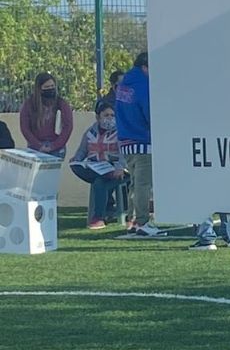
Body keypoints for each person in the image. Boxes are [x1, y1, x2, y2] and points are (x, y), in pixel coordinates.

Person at [116, 52, 160, 236]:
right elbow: (150, 111)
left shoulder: (124, 84)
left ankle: (133, 220)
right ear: (145, 66)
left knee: (134, 184)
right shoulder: (143, 85)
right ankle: (142, 222)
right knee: (143, 184)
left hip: (126, 141)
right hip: (143, 141)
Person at [69, 101, 127, 229]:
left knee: (99, 183)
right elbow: (82, 151)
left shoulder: (120, 132)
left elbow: (124, 153)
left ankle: (98, 217)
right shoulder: (90, 133)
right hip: (96, 168)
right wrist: (76, 160)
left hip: (118, 171)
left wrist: (120, 167)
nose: (110, 118)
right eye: (106, 115)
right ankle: (103, 213)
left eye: (112, 115)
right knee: (96, 178)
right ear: (98, 117)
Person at [19, 73, 74, 157]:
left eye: (52, 86)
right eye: (46, 87)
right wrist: (38, 145)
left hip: (57, 148)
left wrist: (55, 145)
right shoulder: (29, 104)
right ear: (39, 89)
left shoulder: (61, 103)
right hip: (35, 148)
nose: (50, 89)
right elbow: (25, 128)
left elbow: (68, 126)